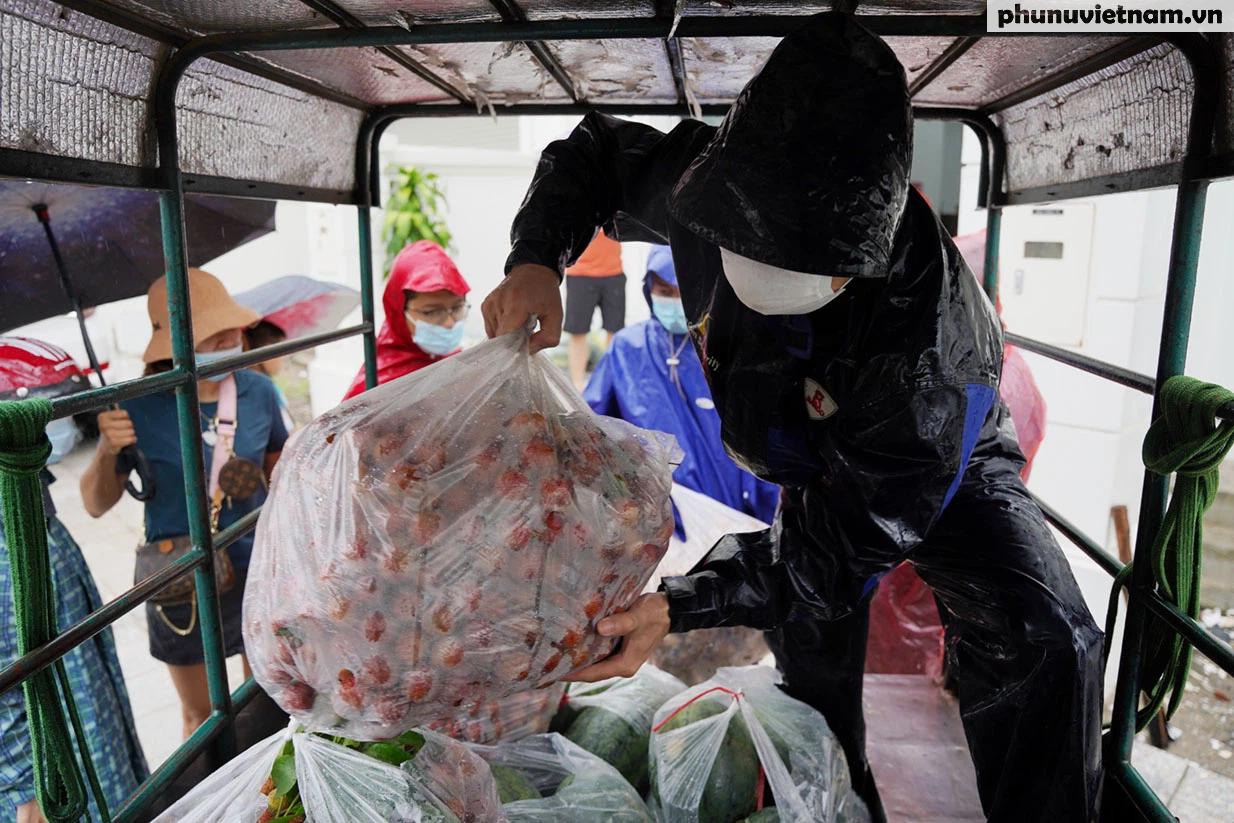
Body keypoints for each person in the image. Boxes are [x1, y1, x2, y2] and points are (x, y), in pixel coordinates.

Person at [482, 12, 1102, 822]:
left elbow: (840, 547)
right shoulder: (703, 185)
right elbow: (592, 154)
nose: (770, 273)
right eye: (753, 248)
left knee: (1046, 638)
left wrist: (681, 602)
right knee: (813, 664)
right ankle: (835, 792)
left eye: (813, 265)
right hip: (799, 456)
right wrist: (535, 257)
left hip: (926, 467)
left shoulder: (928, 353)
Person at [80, 269, 288, 741]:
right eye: (215, 331)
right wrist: (106, 450)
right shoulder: (133, 405)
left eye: (233, 325)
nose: (234, 336)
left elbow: (282, 474)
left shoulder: (258, 390)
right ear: (175, 340)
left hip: (255, 567)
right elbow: (94, 505)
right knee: (203, 718)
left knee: (264, 700)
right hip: (181, 579)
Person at [0, 337, 148, 823]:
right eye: (40, 415)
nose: (55, 428)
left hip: (92, 725)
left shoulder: (32, 502)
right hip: (46, 782)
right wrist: (24, 788)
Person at [584, 244, 779, 525]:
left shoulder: (728, 350)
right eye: (664, 292)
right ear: (648, 290)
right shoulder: (628, 349)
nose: (675, 302)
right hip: (653, 516)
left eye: (683, 293)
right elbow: (592, 425)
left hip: (730, 512)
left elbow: (762, 442)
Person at [343, 240, 470, 400]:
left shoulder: (452, 359)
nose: (450, 323)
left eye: (457, 308)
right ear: (398, 310)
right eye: (431, 312)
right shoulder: (378, 387)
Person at [562, 232, 625, 390]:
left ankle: (611, 383)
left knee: (615, 331)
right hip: (580, 273)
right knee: (577, 332)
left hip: (613, 272)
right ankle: (577, 385)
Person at [243, 320, 294, 432]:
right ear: (266, 349)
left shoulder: (267, 385)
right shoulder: (252, 391)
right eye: (282, 351)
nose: (284, 359)